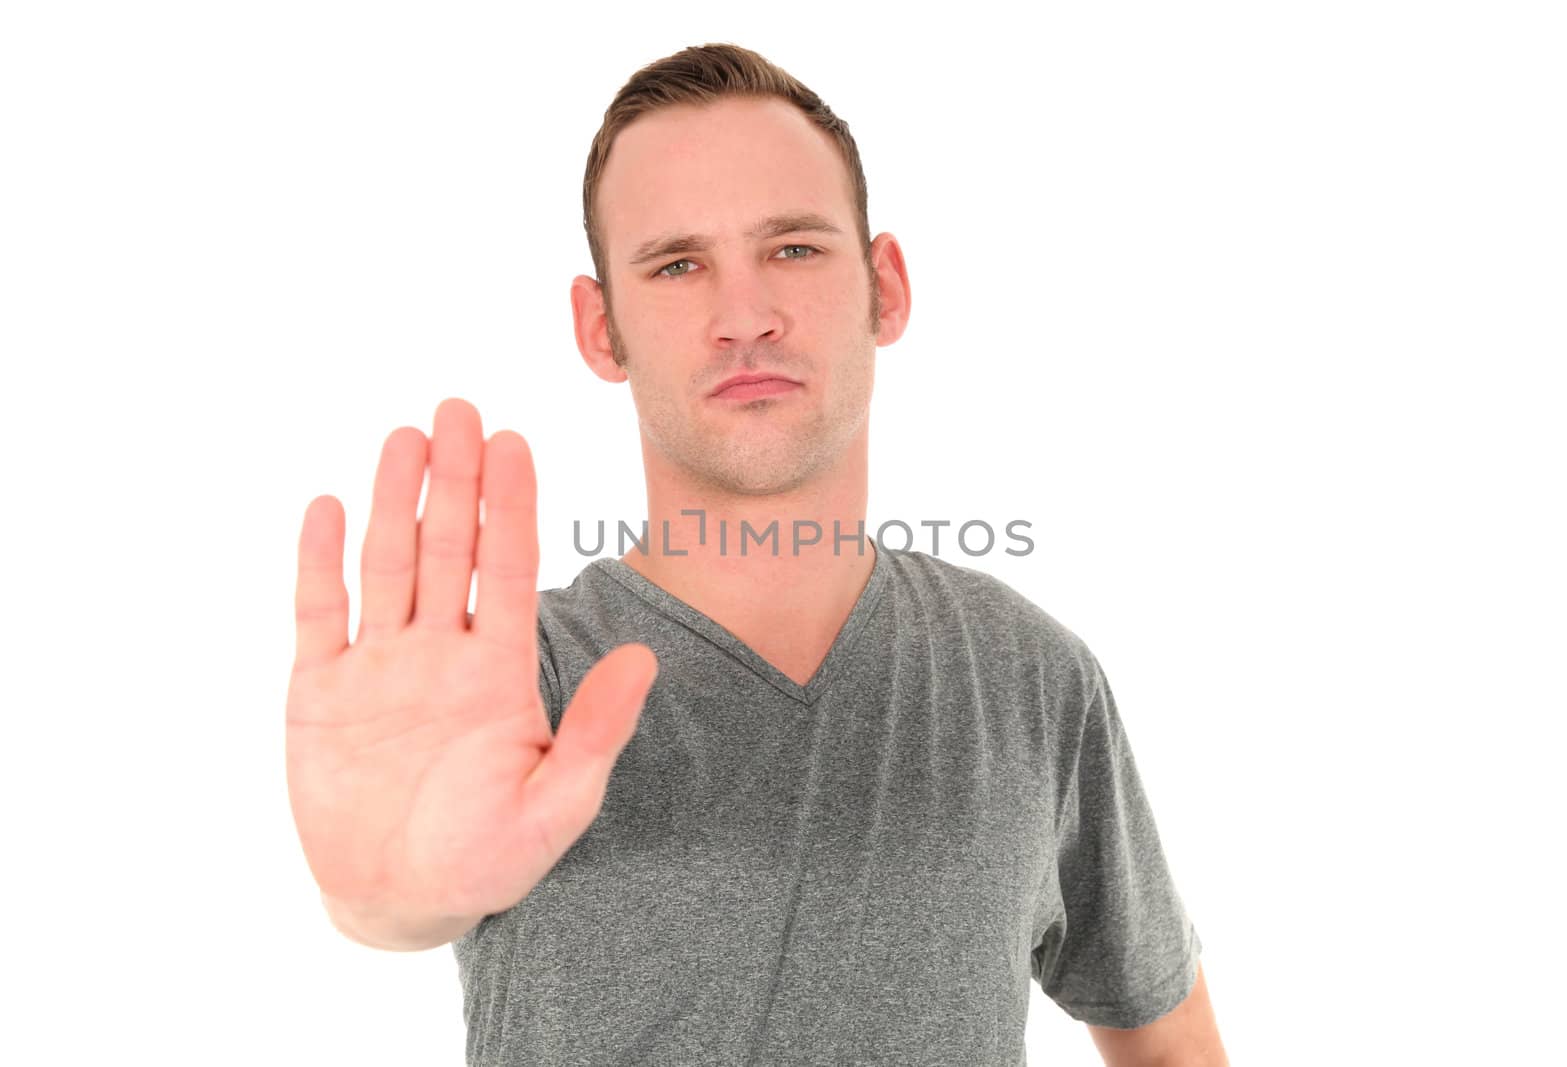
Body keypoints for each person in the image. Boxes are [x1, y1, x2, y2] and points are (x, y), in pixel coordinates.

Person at [287, 42, 1227, 1067]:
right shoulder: (510, 680)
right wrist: (383, 900)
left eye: (792, 249)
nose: (744, 318)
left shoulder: (1027, 674)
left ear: (885, 287)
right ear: (602, 329)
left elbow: (1168, 1036)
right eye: (678, 263)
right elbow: (395, 902)